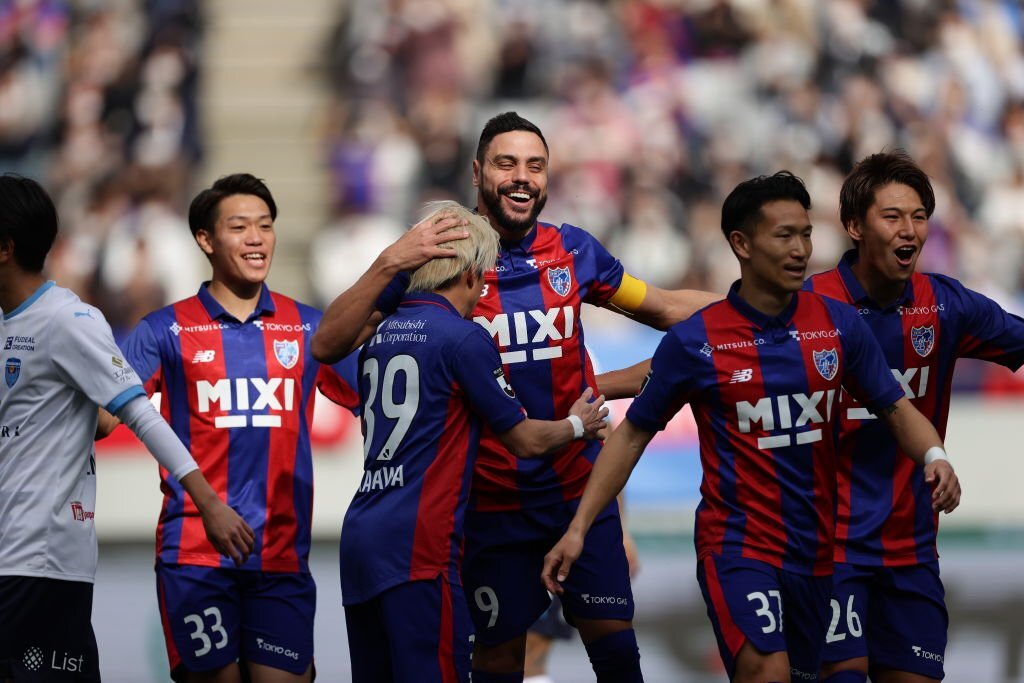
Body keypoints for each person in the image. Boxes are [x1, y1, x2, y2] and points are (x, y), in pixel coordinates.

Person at [312, 111, 719, 682]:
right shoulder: (441, 256)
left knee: (616, 651)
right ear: (478, 172)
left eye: (535, 165)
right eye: (506, 164)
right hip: (489, 506)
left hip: (576, 493)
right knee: (501, 660)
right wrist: (393, 260)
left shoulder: (574, 253)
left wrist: (752, 304)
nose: (521, 177)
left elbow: (661, 306)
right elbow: (330, 344)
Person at [541, 171, 961, 683]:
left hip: (817, 551)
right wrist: (580, 528)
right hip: (738, 545)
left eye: (805, 234)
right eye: (784, 235)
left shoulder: (837, 324)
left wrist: (934, 456)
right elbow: (632, 436)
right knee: (766, 673)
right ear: (741, 243)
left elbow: (896, 408)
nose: (800, 249)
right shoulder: (698, 341)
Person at [339, 200, 608, 683]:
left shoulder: (376, 337)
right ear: (468, 274)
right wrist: (576, 425)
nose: (485, 288)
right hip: (421, 545)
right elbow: (525, 440)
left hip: (361, 537)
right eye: (483, 278)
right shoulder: (462, 339)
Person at [0, 174, 253, 683]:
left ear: (5, 248)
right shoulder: (9, 324)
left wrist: (207, 502)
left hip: (39, 560)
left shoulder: (68, 320)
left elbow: (139, 413)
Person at [118, 174, 360, 683]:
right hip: (195, 555)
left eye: (266, 225)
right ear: (206, 240)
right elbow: (106, 416)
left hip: (282, 555)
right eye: (240, 226)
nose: (256, 238)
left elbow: (381, 395)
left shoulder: (309, 327)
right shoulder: (164, 330)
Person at [803, 151, 1024, 683]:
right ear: (854, 226)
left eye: (920, 216)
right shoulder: (806, 306)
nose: (910, 230)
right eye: (893, 216)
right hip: (826, 549)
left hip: (912, 550)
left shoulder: (944, 304)